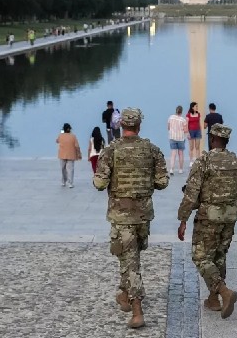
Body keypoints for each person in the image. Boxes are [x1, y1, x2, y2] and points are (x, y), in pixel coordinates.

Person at [93, 108, 169, 329]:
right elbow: (163, 182)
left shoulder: (110, 150)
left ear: (120, 126)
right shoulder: (152, 150)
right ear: (139, 126)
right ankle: (124, 294)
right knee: (131, 257)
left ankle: (137, 311)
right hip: (144, 215)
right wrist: (145, 183)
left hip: (121, 214)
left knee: (130, 261)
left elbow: (99, 184)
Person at [177, 124, 237, 320]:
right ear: (226, 141)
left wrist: (183, 219)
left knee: (200, 257)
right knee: (219, 256)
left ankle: (223, 291)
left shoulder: (203, 162)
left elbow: (191, 193)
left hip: (208, 217)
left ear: (212, 140)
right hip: (230, 217)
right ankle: (213, 300)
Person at [56, 123, 81, 188]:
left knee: (63, 169)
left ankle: (63, 182)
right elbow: (77, 146)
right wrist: (79, 153)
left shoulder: (60, 135)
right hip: (71, 155)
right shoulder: (73, 136)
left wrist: (61, 133)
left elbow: (57, 141)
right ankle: (70, 183)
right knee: (70, 170)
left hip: (62, 154)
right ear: (70, 129)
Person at [168, 105, 188, 175]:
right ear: (181, 112)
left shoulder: (171, 117)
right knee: (181, 154)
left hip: (172, 137)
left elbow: (168, 127)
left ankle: (171, 169)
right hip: (180, 138)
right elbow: (185, 130)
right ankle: (180, 169)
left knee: (173, 154)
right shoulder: (183, 120)